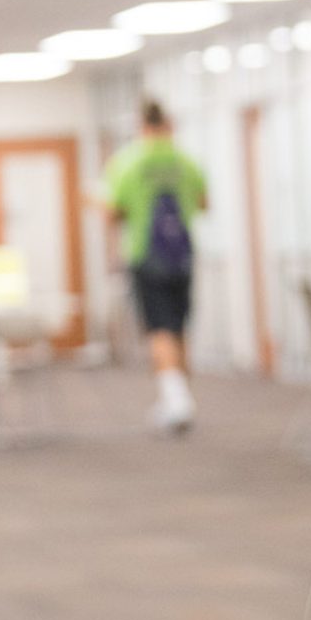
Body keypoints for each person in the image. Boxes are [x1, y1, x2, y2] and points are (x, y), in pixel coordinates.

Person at [104, 101, 208, 434]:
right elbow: (204, 203)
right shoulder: (185, 160)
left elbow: (113, 213)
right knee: (178, 325)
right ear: (169, 124)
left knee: (158, 327)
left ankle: (176, 399)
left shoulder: (129, 161)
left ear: (141, 125)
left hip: (146, 255)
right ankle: (178, 394)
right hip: (182, 255)